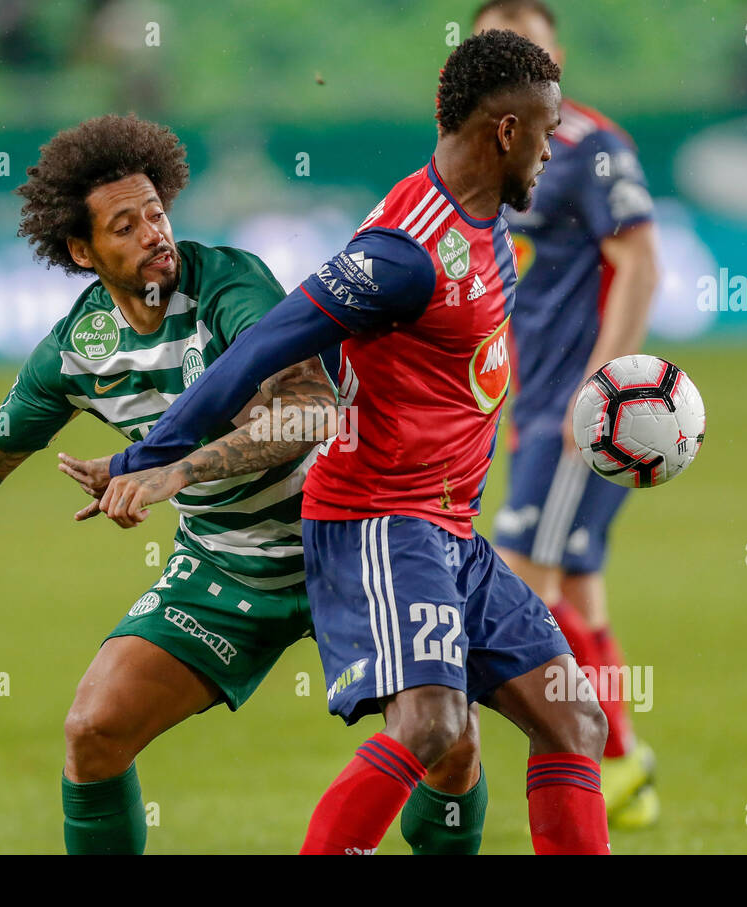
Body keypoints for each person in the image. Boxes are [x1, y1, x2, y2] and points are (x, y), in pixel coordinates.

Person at [0, 114, 481, 854]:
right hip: (228, 563)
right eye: (125, 225)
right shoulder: (79, 351)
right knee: (95, 730)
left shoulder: (229, 284)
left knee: (448, 740)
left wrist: (174, 472)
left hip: (354, 542)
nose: (154, 233)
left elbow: (306, 413)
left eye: (156, 213)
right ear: (82, 250)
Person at [91, 31, 611, 855]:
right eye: (547, 132)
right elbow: (269, 343)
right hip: (381, 520)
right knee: (433, 725)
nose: (555, 152)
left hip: (449, 530)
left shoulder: (486, 227)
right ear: (505, 131)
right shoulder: (406, 253)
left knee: (574, 720)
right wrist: (156, 454)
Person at [472, 0, 661, 827]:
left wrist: (600, 385)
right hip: (529, 401)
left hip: (576, 408)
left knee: (519, 587)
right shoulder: (481, 155)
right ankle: (624, 765)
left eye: (530, 54)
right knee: (578, 586)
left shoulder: (590, 149)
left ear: (558, 60)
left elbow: (642, 263)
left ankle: (589, 761)